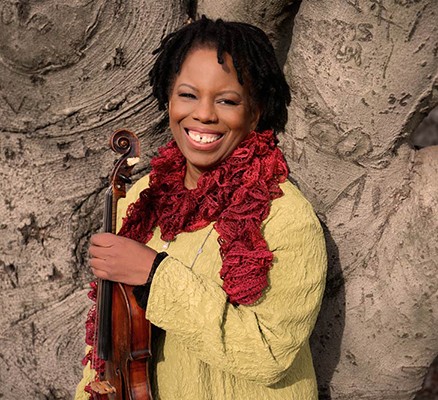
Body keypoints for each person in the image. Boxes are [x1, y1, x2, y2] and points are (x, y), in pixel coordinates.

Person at [75, 16, 327, 400]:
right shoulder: (143, 198)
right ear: (169, 100)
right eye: (188, 95)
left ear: (255, 112)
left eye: (226, 100)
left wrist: (155, 274)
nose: (204, 114)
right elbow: (106, 347)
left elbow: (270, 354)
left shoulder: (285, 217)